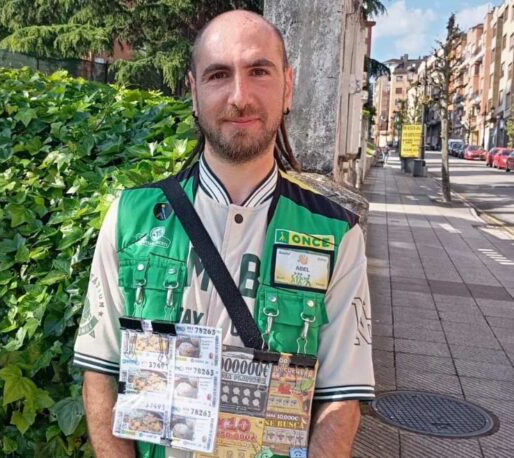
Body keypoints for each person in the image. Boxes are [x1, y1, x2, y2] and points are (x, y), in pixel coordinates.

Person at [74, 10, 374, 458]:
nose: (239, 96)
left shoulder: (336, 234)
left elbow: (341, 398)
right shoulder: (131, 218)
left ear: (287, 86)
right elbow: (100, 373)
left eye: (259, 71)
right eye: (218, 75)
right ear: (194, 93)